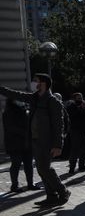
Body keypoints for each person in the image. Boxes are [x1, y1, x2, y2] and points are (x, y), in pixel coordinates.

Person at [0, 74, 70, 206]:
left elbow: (58, 125)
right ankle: (51, 196)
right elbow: (16, 94)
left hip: (47, 141)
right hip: (35, 140)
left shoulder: (53, 102)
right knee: (41, 169)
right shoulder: (34, 98)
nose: (33, 83)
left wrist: (58, 145)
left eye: (36, 81)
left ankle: (63, 191)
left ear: (44, 83)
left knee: (45, 168)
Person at [2, 99, 39, 192]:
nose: (20, 101)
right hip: (14, 143)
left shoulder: (26, 110)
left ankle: (30, 183)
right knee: (16, 164)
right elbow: (10, 127)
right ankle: (14, 185)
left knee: (29, 164)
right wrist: (26, 132)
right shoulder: (8, 112)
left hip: (27, 142)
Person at [66, 92, 85, 174]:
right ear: (74, 99)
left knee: (84, 149)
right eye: (78, 98)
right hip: (75, 131)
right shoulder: (72, 106)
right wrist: (80, 108)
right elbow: (72, 115)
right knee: (75, 149)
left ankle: (82, 165)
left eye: (81, 97)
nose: (80, 99)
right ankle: (72, 168)